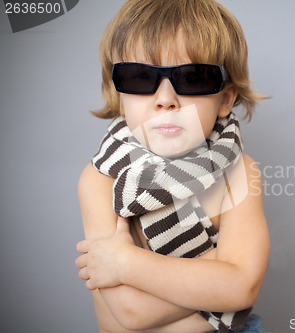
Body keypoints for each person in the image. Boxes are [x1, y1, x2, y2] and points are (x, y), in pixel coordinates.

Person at [74, 1, 269, 332]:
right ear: (120, 94)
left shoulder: (238, 172)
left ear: (224, 99)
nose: (166, 99)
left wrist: (127, 263)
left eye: (191, 78)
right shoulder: (102, 179)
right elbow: (132, 312)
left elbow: (242, 288)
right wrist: (219, 271)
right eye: (139, 76)